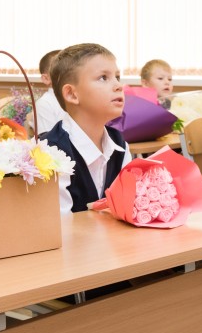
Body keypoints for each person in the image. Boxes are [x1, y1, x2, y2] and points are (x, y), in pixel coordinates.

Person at [40, 43, 132, 214]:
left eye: (117, 77)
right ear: (72, 94)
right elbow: (61, 228)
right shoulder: (49, 153)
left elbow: (128, 208)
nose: (119, 86)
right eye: (103, 78)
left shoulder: (120, 145)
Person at [31, 49, 65, 134]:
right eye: (61, 71)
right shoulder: (44, 104)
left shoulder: (79, 98)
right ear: (46, 78)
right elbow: (47, 142)